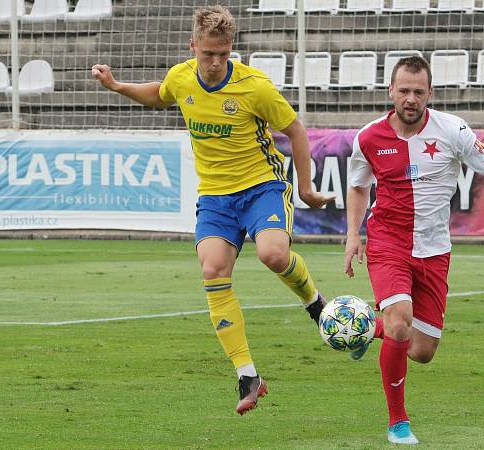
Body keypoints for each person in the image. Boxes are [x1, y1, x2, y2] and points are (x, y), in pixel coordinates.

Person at [91, 5, 333, 415]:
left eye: (223, 53)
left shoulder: (255, 87)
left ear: (231, 49)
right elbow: (160, 95)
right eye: (208, 54)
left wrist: (306, 187)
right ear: (193, 47)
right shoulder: (181, 76)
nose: (216, 62)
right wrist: (117, 86)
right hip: (217, 198)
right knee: (212, 270)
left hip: (261, 187)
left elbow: (294, 129)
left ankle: (314, 303)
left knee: (273, 254)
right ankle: (247, 374)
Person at [343, 56, 484, 445]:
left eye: (418, 91)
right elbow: (359, 187)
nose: (410, 99)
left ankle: (361, 329)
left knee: (422, 350)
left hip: (434, 250)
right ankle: (398, 423)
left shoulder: (452, 130)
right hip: (388, 242)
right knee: (399, 321)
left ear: (431, 93)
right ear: (390, 91)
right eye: (404, 90)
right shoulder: (369, 138)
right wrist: (352, 235)